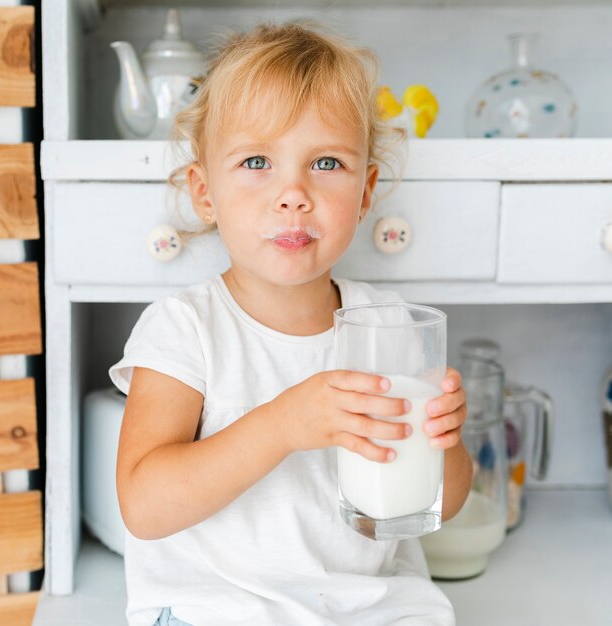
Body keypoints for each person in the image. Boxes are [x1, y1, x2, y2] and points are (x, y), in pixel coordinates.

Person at [109, 21, 472, 626]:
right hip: (217, 606)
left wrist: (446, 443)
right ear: (205, 192)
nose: (294, 193)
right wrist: (283, 425)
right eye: (257, 161)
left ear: (364, 192)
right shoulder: (184, 328)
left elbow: (444, 501)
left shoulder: (387, 325)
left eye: (326, 162)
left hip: (367, 603)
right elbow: (144, 505)